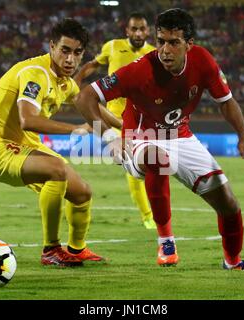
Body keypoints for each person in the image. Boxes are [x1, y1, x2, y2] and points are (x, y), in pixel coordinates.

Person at [75, 8, 244, 271]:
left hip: (181, 136)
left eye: (174, 43)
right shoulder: (140, 70)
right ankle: (166, 241)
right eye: (161, 41)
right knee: (157, 158)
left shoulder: (203, 61)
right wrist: (110, 137)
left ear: (189, 44)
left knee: (229, 203)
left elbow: (226, 101)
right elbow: (84, 97)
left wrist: (243, 136)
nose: (165, 49)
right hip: (140, 138)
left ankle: (233, 262)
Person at [0, 18, 112, 267]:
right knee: (56, 169)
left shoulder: (65, 82)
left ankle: (77, 249)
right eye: (65, 50)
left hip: (22, 145)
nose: (70, 59)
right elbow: (28, 120)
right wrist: (76, 129)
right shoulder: (35, 74)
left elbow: (90, 106)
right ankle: (51, 249)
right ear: (52, 46)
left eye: (77, 53)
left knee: (81, 192)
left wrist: (127, 128)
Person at [74, 12, 157, 230]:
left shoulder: (155, 53)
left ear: (147, 31)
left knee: (153, 165)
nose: (138, 33)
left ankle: (153, 212)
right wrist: (78, 79)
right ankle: (148, 216)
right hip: (117, 117)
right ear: (127, 31)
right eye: (134, 29)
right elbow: (94, 64)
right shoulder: (112, 46)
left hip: (144, 118)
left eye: (142, 29)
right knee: (133, 166)